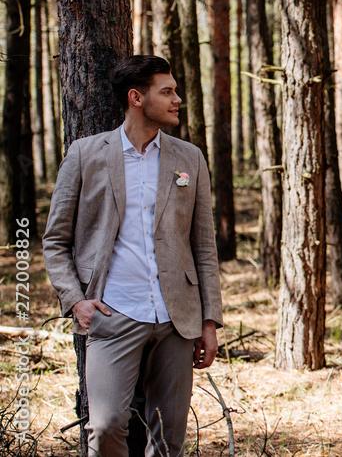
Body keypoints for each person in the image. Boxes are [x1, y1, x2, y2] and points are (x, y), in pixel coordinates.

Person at [43, 55, 224, 457]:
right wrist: (75, 300)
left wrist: (209, 322)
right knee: (106, 426)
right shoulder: (86, 154)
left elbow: (204, 248)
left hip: (178, 319)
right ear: (136, 98)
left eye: (175, 90)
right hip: (112, 314)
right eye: (168, 92)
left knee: (168, 438)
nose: (177, 99)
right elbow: (55, 241)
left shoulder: (189, 158)